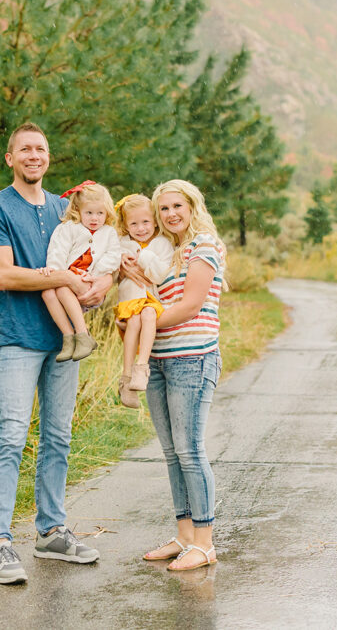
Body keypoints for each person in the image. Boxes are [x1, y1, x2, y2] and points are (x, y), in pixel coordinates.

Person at [0, 122, 112, 585]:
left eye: (41, 149)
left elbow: (101, 252)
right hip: (17, 338)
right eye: (25, 149)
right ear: (10, 158)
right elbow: (5, 275)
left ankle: (51, 532)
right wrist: (66, 280)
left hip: (63, 341)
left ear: (48, 158)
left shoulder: (66, 208)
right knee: (11, 437)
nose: (34, 155)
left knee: (58, 437)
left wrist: (98, 284)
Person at [124, 179, 225, 572]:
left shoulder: (205, 245)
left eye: (177, 206)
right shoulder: (165, 252)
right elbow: (154, 298)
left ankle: (205, 542)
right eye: (163, 208)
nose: (170, 214)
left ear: (192, 206)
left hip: (192, 359)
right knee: (171, 453)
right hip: (160, 361)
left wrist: (144, 324)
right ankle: (184, 536)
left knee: (190, 450)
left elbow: (191, 304)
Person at [41, 181, 122, 362]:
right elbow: (57, 250)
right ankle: (69, 338)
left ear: (107, 212)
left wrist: (96, 274)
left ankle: (83, 334)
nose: (95, 218)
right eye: (89, 213)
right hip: (67, 280)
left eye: (100, 213)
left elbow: (114, 256)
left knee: (61, 289)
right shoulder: (68, 228)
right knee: (47, 292)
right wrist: (55, 270)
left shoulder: (108, 233)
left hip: (91, 285)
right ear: (78, 210)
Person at [113, 194, 173, 408]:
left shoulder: (162, 244)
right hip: (129, 299)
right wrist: (118, 260)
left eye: (146, 222)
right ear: (126, 225)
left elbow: (159, 276)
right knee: (135, 321)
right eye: (134, 223)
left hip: (150, 299)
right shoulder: (121, 244)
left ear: (155, 220)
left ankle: (141, 369)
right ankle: (126, 377)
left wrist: (145, 256)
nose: (141, 228)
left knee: (147, 315)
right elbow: (110, 272)